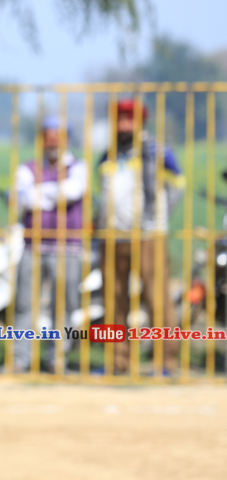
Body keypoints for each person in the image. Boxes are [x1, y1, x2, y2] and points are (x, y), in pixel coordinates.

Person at [98, 98, 184, 375]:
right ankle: (118, 361)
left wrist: (158, 217)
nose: (124, 125)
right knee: (114, 300)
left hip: (149, 235)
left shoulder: (157, 151)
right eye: (120, 119)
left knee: (157, 298)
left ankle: (165, 361)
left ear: (140, 122)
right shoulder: (108, 155)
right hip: (113, 236)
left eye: (129, 119)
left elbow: (177, 185)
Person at [12, 116, 89, 373]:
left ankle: (57, 358)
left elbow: (73, 191)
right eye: (48, 136)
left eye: (58, 136)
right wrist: (56, 194)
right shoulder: (27, 168)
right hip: (33, 246)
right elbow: (22, 199)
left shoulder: (79, 167)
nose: (53, 142)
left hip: (68, 247)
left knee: (64, 306)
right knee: (24, 304)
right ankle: (20, 358)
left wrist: (39, 193)